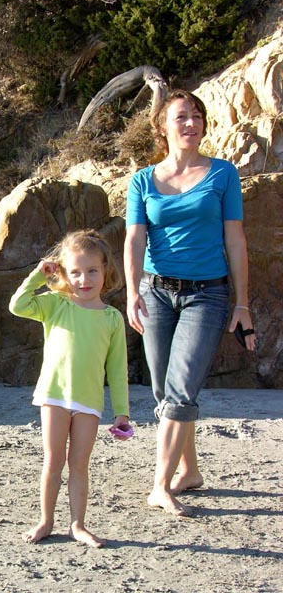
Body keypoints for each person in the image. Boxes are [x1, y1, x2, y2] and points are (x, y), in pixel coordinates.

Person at [124, 89, 256, 517]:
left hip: (207, 294)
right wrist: (132, 292)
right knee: (165, 391)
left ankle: (160, 486)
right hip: (155, 292)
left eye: (197, 116)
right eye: (181, 116)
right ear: (162, 126)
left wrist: (242, 303)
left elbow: (235, 240)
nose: (191, 123)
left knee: (181, 391)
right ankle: (190, 471)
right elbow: (134, 239)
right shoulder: (143, 180)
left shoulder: (223, 174)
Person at [9, 229, 130, 547]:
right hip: (55, 396)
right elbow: (17, 305)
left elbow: (117, 371)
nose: (84, 279)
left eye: (92, 271)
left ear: (106, 270)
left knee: (79, 465)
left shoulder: (112, 318)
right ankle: (46, 520)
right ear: (64, 273)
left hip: (89, 402)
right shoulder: (56, 304)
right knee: (53, 461)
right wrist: (39, 275)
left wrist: (122, 412)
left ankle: (78, 525)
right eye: (75, 272)